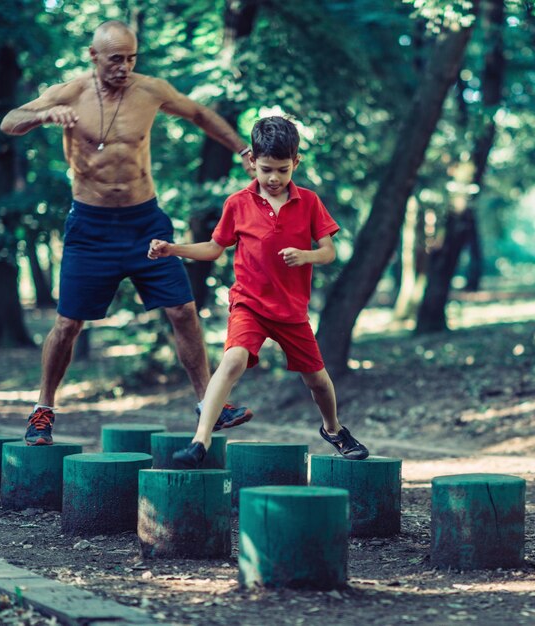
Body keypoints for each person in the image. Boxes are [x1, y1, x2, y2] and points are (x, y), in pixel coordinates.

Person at [0, 20, 253, 445]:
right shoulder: (71, 93)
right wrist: (44, 115)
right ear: (94, 56)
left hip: (144, 223)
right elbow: (9, 121)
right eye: (115, 58)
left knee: (183, 311)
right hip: (90, 227)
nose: (124, 66)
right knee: (67, 324)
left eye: (131, 57)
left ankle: (209, 402)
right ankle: (43, 409)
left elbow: (200, 114)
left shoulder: (150, 90)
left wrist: (242, 149)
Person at [148, 116, 369, 468]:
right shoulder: (237, 203)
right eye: (266, 169)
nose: (274, 178)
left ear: (296, 161)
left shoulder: (310, 202)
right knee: (233, 359)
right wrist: (173, 249)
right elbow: (213, 247)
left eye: (283, 170)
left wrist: (306, 255)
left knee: (318, 381)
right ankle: (200, 440)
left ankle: (333, 429)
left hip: (291, 310)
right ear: (252, 161)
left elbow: (329, 252)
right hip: (248, 303)